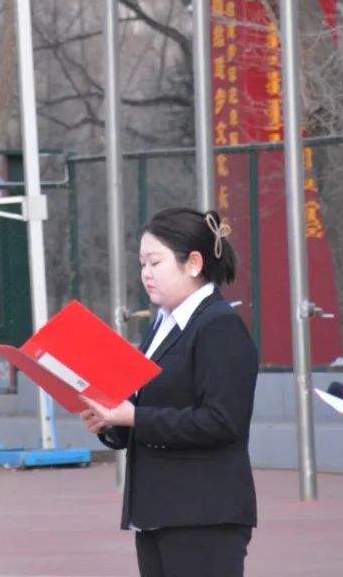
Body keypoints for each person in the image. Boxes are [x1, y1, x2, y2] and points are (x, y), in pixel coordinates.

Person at [80, 207, 259, 577]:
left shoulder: (219, 326)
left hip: (203, 514)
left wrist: (134, 417)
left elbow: (222, 421)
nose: (146, 273)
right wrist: (111, 422)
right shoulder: (162, 324)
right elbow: (150, 405)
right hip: (158, 510)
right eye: (142, 263)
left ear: (193, 263)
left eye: (155, 262)